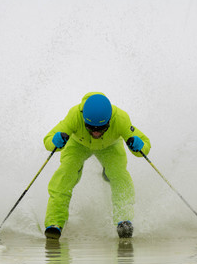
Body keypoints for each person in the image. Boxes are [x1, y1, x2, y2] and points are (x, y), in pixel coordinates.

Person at [42, 92, 151, 239]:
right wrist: (55, 141)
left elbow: (145, 146)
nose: (96, 132)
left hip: (110, 146)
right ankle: (55, 223)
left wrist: (139, 146)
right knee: (65, 174)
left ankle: (123, 221)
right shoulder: (74, 115)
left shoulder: (120, 118)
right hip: (78, 145)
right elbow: (48, 140)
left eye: (101, 128)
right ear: (84, 120)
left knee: (119, 175)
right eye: (90, 127)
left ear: (109, 120)